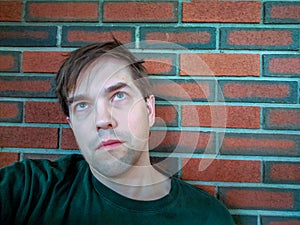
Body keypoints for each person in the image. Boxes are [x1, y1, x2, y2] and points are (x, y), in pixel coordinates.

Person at [0, 39, 235, 225]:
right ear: (72, 125)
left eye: (118, 96)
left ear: (149, 110)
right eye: (82, 105)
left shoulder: (206, 218)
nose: (102, 120)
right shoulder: (29, 191)